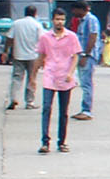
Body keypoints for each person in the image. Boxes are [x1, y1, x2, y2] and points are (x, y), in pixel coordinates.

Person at [35, 10, 82, 153]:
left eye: (62, 19)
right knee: (46, 108)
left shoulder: (72, 37)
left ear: (65, 20)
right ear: (52, 20)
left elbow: (75, 56)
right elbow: (41, 55)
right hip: (50, 76)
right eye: (57, 19)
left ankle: (62, 142)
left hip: (65, 77)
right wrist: (33, 75)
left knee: (63, 112)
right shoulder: (45, 37)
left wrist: (70, 73)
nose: (59, 22)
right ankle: (45, 142)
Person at [4, 5, 44, 110]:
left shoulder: (16, 23)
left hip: (18, 55)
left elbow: (9, 38)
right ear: (35, 13)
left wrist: (5, 51)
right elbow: (42, 41)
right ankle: (29, 102)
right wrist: (43, 58)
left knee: (16, 78)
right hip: (33, 56)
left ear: (25, 13)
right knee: (31, 78)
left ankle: (13, 99)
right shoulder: (37, 25)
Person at [72, 4, 102, 119]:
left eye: (75, 9)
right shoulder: (82, 21)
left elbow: (93, 36)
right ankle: (84, 109)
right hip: (82, 54)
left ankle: (86, 111)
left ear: (81, 9)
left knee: (86, 83)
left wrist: (86, 54)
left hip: (88, 56)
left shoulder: (91, 19)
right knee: (84, 82)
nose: (74, 12)